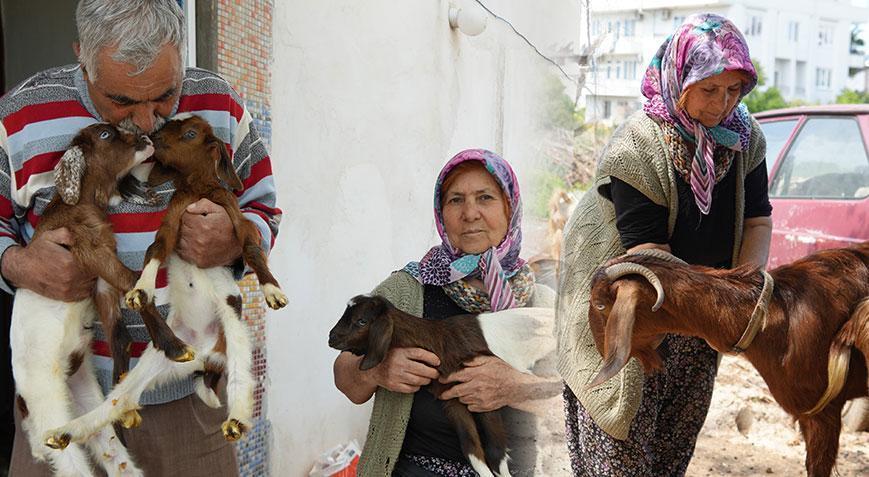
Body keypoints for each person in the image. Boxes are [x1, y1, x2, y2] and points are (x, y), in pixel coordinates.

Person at [1, 1, 280, 475]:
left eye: (166, 96)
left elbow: (263, 206)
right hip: (61, 392)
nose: (149, 122)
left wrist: (236, 238)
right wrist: (18, 264)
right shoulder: (20, 113)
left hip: (186, 401)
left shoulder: (219, 103)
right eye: (122, 103)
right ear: (81, 58)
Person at [556, 13, 772, 476]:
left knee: (671, 449)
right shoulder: (639, 145)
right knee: (621, 447)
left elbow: (757, 221)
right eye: (711, 89)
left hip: (697, 317)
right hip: (631, 311)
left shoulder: (745, 138)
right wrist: (716, 300)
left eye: (734, 90)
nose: (723, 104)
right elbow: (651, 260)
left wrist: (746, 292)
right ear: (680, 79)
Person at [333, 149, 557, 476]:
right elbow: (344, 376)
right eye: (455, 200)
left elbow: (582, 408)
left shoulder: (543, 304)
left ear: (510, 208)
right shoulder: (408, 290)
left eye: (485, 198)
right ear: (441, 213)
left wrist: (515, 387)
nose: (470, 213)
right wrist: (376, 371)